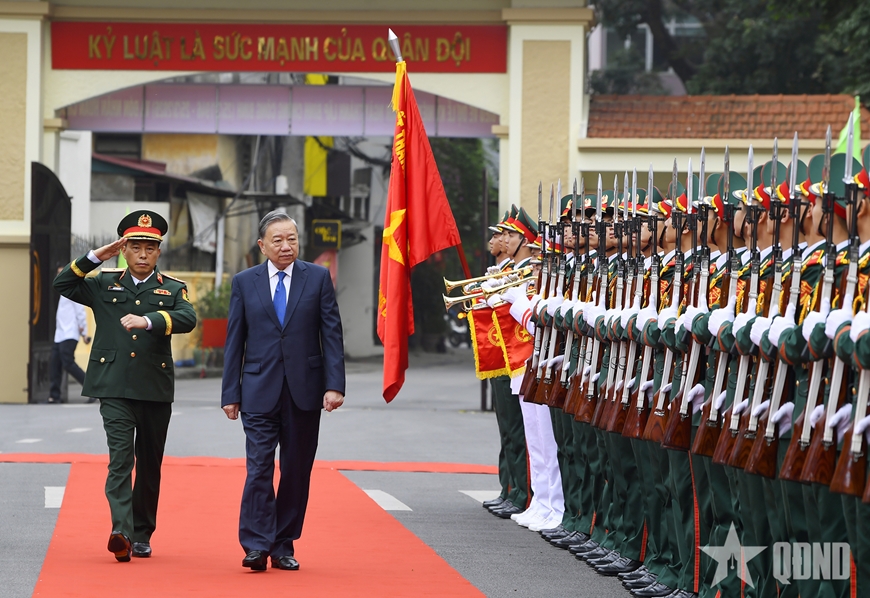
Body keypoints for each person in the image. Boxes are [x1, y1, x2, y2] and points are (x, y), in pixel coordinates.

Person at [53, 210, 196, 562]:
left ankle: (143, 531)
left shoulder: (172, 288)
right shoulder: (103, 283)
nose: (143, 253)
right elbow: (62, 284)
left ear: (159, 252)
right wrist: (95, 257)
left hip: (154, 387)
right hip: (113, 385)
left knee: (149, 462)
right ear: (124, 249)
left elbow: (188, 318)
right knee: (121, 459)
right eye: (135, 246)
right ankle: (121, 531)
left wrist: (149, 320)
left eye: (150, 247)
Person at [221, 210, 345, 572]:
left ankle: (283, 543)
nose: (286, 245)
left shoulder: (318, 278)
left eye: (291, 238)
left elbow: (331, 334)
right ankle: (256, 545)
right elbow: (234, 340)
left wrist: (334, 385)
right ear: (262, 245)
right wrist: (231, 392)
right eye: (277, 240)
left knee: (295, 470)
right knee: (259, 467)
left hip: (304, 391)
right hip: (258, 389)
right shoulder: (245, 282)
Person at [49, 265, 91, 403]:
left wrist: (84, 332)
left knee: (68, 363)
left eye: (63, 273)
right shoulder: (62, 293)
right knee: (55, 363)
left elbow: (80, 311)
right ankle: (54, 396)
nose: (60, 276)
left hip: (69, 333)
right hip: (60, 334)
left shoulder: (72, 291)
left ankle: (91, 388)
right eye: (58, 273)